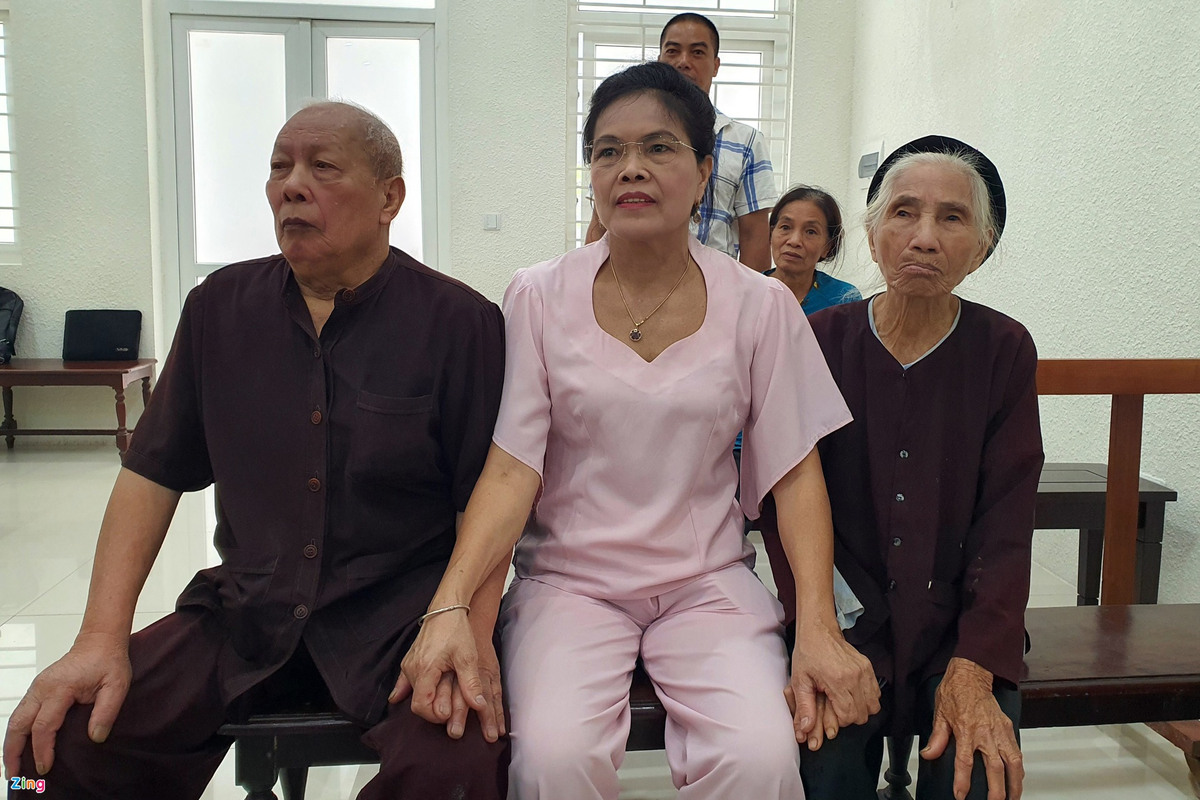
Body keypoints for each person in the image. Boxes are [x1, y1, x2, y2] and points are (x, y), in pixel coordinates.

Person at [396, 61, 879, 800]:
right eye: (608, 151)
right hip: (571, 584)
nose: (631, 169)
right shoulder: (538, 295)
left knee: (758, 761)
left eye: (659, 147)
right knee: (553, 762)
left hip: (706, 582)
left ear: (704, 170)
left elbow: (795, 472)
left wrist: (818, 625)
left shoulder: (760, 306)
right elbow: (511, 467)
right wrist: (451, 605)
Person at [2, 102, 510, 800]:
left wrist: (466, 630)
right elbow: (152, 475)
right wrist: (99, 637)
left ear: (389, 197)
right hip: (248, 612)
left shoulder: (460, 323)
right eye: (279, 169)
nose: (291, 187)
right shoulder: (219, 308)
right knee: (52, 749)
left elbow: (488, 505)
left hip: (400, 620)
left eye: (322, 168)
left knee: (456, 768)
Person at [763, 136, 1043, 800]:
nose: (924, 237)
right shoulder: (819, 341)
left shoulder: (1003, 349)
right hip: (843, 620)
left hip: (961, 625)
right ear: (871, 232)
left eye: (952, 218)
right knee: (824, 769)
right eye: (904, 213)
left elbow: (1007, 522)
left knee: (973, 774)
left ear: (983, 245)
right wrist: (819, 629)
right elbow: (783, 498)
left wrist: (975, 663)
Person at [586, 12, 779, 272]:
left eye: (697, 52)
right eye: (673, 51)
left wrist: (746, 294)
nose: (684, 62)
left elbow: (755, 235)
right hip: (623, 282)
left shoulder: (745, 141)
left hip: (714, 287)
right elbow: (599, 222)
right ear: (660, 59)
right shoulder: (618, 133)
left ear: (716, 65)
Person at [767, 185, 862, 312]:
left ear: (828, 246)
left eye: (811, 232)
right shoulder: (747, 291)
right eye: (785, 227)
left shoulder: (844, 300)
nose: (794, 241)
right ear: (771, 233)